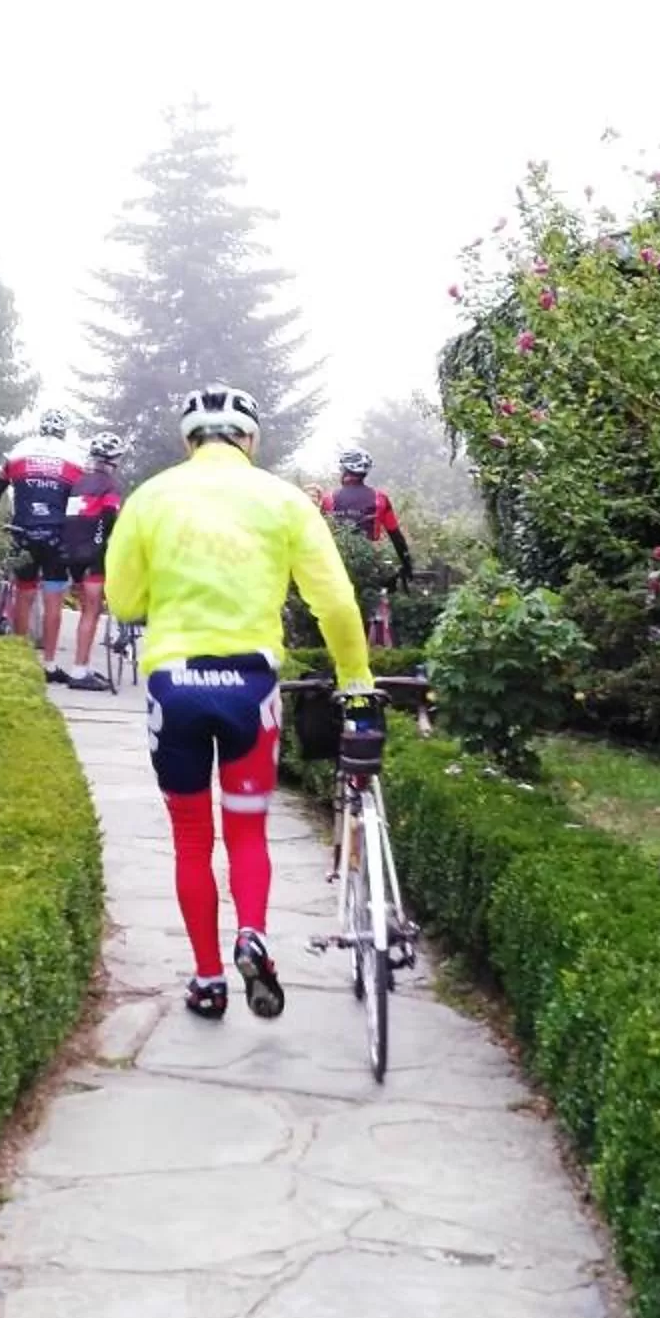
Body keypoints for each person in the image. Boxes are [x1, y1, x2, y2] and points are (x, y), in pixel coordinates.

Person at [105, 384, 378, 1021]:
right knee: (248, 832)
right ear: (250, 438)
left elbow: (123, 602)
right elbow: (336, 603)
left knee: (191, 839)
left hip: (173, 685)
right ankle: (251, 934)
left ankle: (207, 981)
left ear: (187, 440)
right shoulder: (284, 500)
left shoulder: (149, 497)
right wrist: (356, 680)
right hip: (251, 687)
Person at [0, 407, 88, 680]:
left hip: (22, 530)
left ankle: (21, 658)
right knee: (53, 598)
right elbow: (79, 504)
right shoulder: (74, 458)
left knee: (24, 593)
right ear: (63, 431)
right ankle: (49, 664)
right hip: (57, 535)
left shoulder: (19, 451)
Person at [56, 432, 130, 692]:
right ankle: (79, 671)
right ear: (114, 460)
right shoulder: (110, 485)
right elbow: (110, 519)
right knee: (92, 611)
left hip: (71, 553)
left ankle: (83, 666)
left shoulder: (79, 483)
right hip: (93, 553)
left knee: (86, 609)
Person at [320, 449, 415, 646]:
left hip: (335, 565)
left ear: (344, 471)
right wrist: (407, 566)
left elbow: (318, 536)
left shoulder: (329, 499)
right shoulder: (380, 498)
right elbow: (395, 535)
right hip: (369, 565)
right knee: (368, 614)